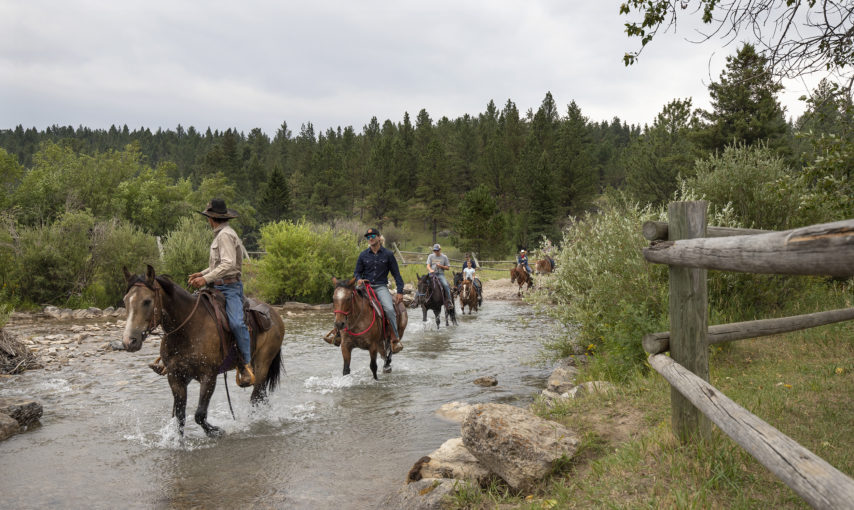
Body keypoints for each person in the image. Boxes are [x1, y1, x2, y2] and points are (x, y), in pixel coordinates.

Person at [187, 198, 255, 388]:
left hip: (230, 288)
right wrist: (202, 273)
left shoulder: (225, 235)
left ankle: (246, 365)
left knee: (236, 322)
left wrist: (205, 279)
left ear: (211, 218)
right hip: (216, 286)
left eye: (208, 217)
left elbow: (228, 265)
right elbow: (218, 266)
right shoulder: (221, 234)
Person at [353, 228, 405, 353]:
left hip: (381, 286)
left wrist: (400, 291)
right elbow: (357, 272)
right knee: (346, 300)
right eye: (368, 236)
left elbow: (396, 274)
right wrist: (359, 279)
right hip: (365, 286)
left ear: (379, 237)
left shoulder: (388, 254)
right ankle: (338, 334)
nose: (370, 238)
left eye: (372, 236)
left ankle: (395, 339)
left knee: (389, 308)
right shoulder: (363, 255)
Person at [426, 243, 454, 309]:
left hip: (440, 274)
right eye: (435, 250)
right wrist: (430, 270)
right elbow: (428, 265)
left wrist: (441, 266)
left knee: (446, 285)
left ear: (440, 250)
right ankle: (417, 299)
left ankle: (449, 301)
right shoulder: (430, 256)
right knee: (423, 282)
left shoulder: (444, 257)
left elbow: (448, 268)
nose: (436, 252)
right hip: (432, 274)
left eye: (437, 250)